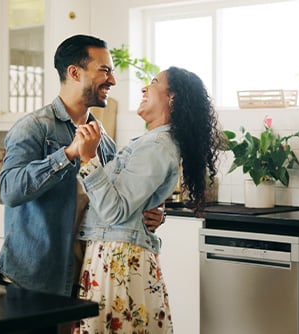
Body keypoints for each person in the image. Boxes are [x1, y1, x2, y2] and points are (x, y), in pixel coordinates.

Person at [0, 34, 165, 297]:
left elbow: (110, 205)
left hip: (85, 278)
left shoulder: (103, 141)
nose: (112, 80)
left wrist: (147, 214)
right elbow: (10, 191)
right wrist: (68, 154)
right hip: (33, 280)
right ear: (74, 72)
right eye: (104, 70)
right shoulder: (34, 127)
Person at [73, 67, 222, 333]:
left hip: (116, 257)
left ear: (172, 98)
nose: (144, 88)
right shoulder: (153, 143)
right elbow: (129, 201)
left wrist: (88, 159)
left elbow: (115, 210)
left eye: (153, 83)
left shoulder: (155, 146)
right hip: (117, 253)